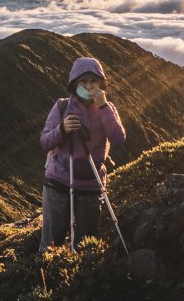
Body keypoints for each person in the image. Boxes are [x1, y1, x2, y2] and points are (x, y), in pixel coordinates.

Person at [39, 56, 126, 251]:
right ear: (74, 84)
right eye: (83, 81)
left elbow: (119, 138)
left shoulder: (108, 108)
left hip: (91, 184)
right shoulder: (62, 106)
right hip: (59, 182)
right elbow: (44, 142)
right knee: (51, 243)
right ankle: (46, 277)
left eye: (93, 81)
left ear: (101, 84)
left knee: (86, 244)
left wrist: (103, 106)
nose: (88, 86)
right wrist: (62, 129)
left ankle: (80, 277)